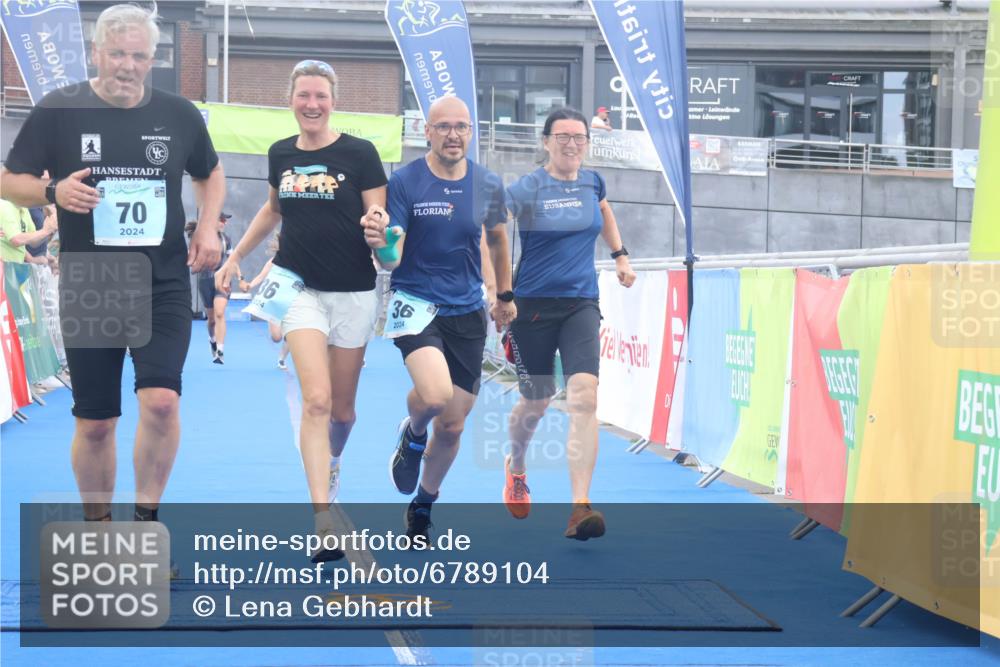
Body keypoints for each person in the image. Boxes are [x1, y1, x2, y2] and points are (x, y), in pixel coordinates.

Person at [0, 4, 224, 526]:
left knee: (162, 401)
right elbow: (9, 180)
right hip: (92, 283)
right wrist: (54, 190)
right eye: (118, 54)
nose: (128, 66)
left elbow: (210, 173)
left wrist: (208, 226)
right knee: (96, 422)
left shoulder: (178, 114)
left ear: (153, 58)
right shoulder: (59, 109)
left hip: (161, 281)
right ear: (96, 52)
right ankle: (99, 527)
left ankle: (146, 524)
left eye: (139, 56)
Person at [215, 60, 390, 562]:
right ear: (290, 100)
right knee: (315, 400)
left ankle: (333, 460)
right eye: (303, 96)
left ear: (333, 101)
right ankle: (322, 521)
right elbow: (273, 209)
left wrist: (379, 228)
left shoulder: (360, 154)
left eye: (320, 96)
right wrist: (235, 255)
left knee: (342, 412)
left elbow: (378, 213)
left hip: (353, 292)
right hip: (298, 288)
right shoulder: (281, 153)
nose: (312, 104)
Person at [365, 96, 515, 541]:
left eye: (461, 127)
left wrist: (504, 295)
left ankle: (423, 505)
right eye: (444, 127)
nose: (453, 135)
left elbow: (498, 240)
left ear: (471, 132)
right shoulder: (405, 181)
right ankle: (412, 434)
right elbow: (392, 252)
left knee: (452, 425)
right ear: (427, 132)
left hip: (466, 310)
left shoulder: (487, 183)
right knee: (433, 396)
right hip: (415, 303)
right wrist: (381, 245)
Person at [503, 107, 636, 540]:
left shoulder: (593, 182)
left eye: (579, 137)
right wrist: (498, 290)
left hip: (581, 303)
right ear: (546, 142)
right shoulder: (526, 188)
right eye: (562, 137)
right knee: (536, 402)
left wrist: (620, 256)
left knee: (584, 396)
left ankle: (580, 507)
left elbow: (604, 211)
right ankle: (516, 466)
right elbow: (492, 231)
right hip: (532, 307)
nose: (571, 144)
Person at [194, 212, 238, 364]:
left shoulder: (226, 240)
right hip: (205, 281)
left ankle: (220, 351)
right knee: (212, 320)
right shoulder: (201, 239)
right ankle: (212, 339)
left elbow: (233, 261)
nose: (225, 223)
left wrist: (240, 278)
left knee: (220, 313)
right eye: (222, 220)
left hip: (222, 281)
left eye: (226, 221)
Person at [240, 234, 289, 370]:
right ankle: (276, 326)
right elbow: (261, 277)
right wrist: (249, 285)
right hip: (274, 303)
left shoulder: (297, 262)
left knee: (291, 333)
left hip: (291, 302)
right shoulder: (273, 262)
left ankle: (281, 359)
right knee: (276, 338)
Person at [1, 198, 56, 265]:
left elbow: (33, 242)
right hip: (5, 264)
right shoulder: (5, 206)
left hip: (15, 265)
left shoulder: (24, 209)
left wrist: (50, 229)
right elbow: (16, 239)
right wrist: (45, 231)